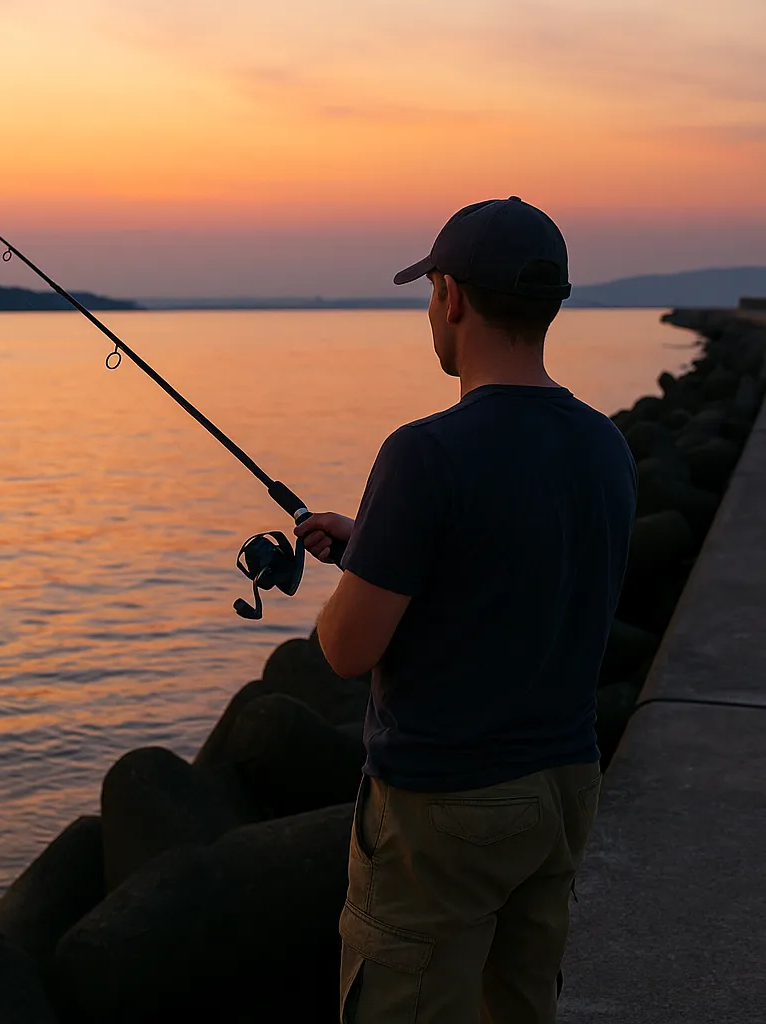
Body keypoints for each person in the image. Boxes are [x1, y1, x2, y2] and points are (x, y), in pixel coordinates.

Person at [294, 197, 637, 1024]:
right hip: (563, 786)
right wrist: (377, 543)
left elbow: (346, 650)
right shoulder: (605, 444)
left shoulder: (426, 452)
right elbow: (519, 567)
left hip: (446, 806)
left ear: (451, 296)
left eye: (430, 292)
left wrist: (353, 586)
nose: (429, 312)